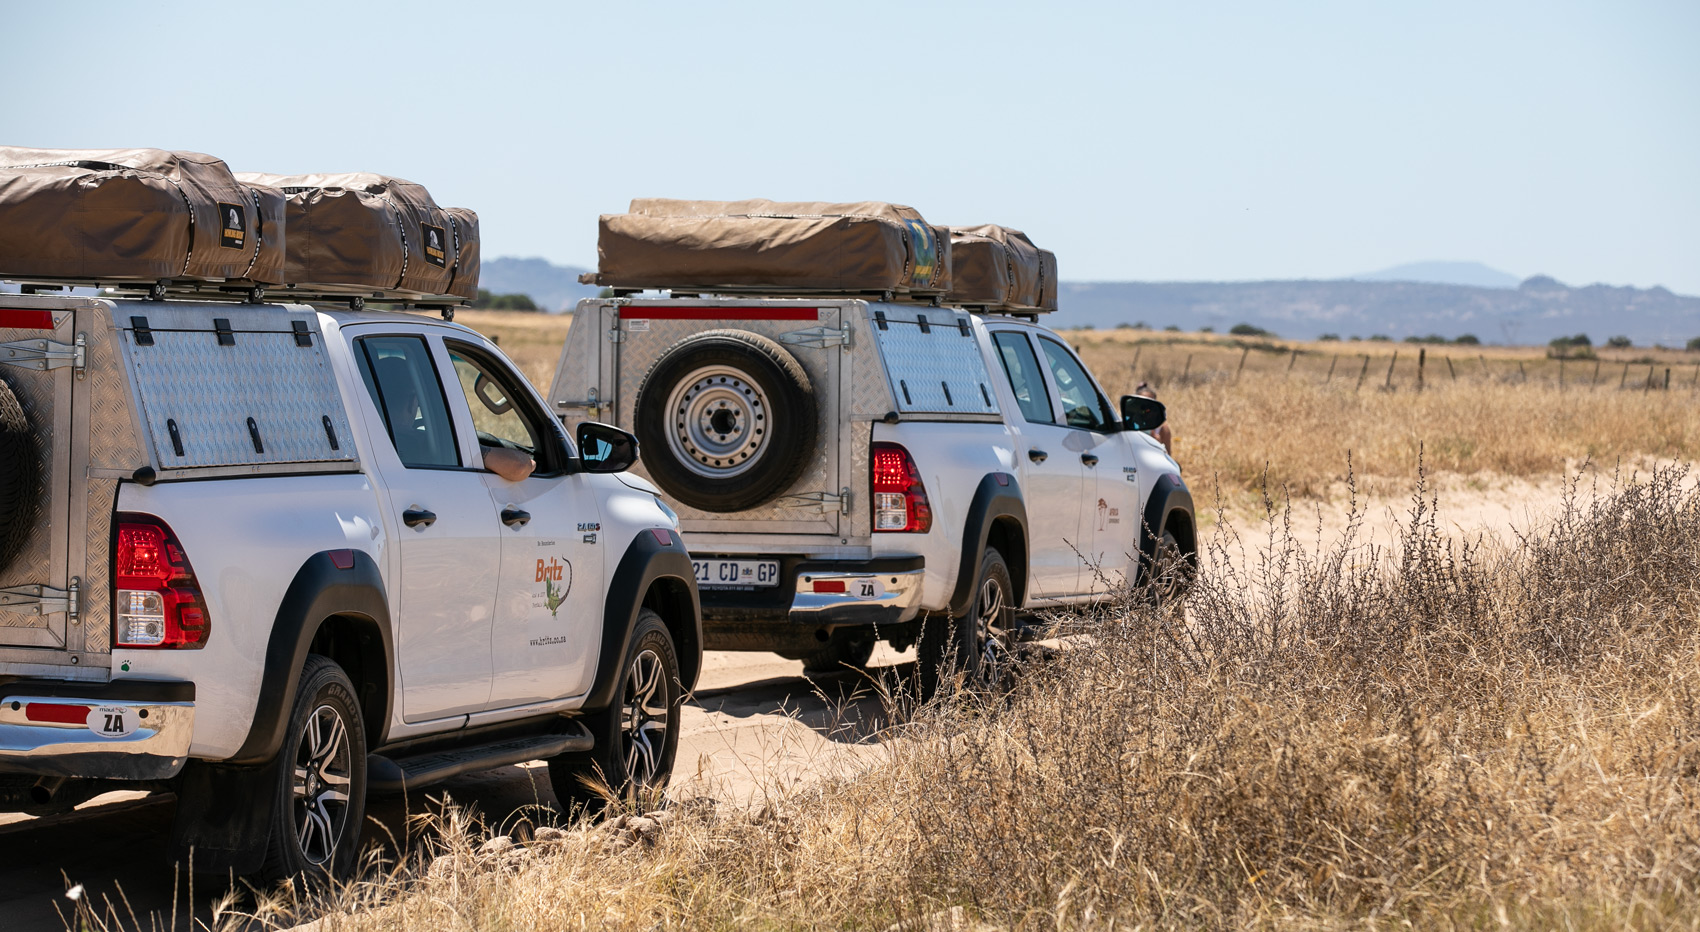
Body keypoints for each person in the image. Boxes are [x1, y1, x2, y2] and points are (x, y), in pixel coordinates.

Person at [1134, 382, 1172, 455]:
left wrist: (1157, 443)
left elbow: (1169, 455)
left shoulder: (1162, 429)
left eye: (1150, 405)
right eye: (1142, 405)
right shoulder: (1130, 423)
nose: (1146, 410)